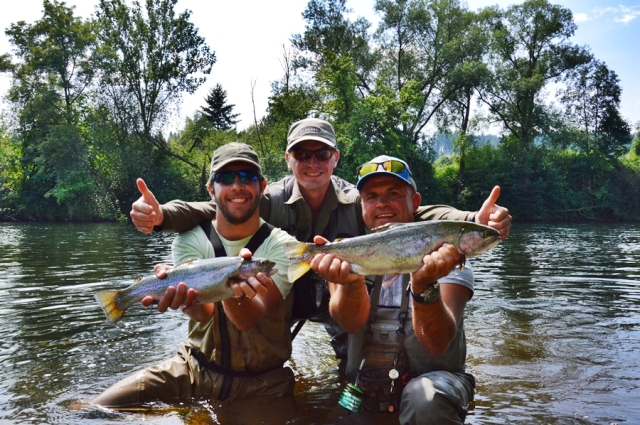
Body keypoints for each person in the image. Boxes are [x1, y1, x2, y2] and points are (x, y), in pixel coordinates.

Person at [129, 117, 512, 372]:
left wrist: (475, 222)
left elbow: (410, 218)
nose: (313, 162)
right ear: (288, 159)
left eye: (322, 153)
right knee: (251, 323)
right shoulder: (265, 197)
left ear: (335, 158)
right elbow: (215, 206)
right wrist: (161, 215)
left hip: (340, 295)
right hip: (289, 297)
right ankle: (246, 382)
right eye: (302, 154)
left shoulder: (359, 199)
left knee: (353, 362)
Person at [91, 142, 297, 408]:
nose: (237, 186)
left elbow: (250, 318)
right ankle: (118, 301)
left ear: (262, 186)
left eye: (247, 177)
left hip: (264, 382)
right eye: (225, 178)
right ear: (211, 189)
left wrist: (231, 289)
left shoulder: (283, 247)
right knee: (97, 408)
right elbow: (204, 313)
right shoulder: (189, 239)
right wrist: (187, 303)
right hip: (193, 368)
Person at [310, 155, 484, 424]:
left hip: (434, 386)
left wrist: (424, 285)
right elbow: (350, 323)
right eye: (371, 196)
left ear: (414, 203)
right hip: (366, 387)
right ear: (362, 207)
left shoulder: (447, 257)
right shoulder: (347, 254)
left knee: (423, 399)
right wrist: (352, 282)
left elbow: (437, 344)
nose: (382, 204)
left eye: (393, 193)